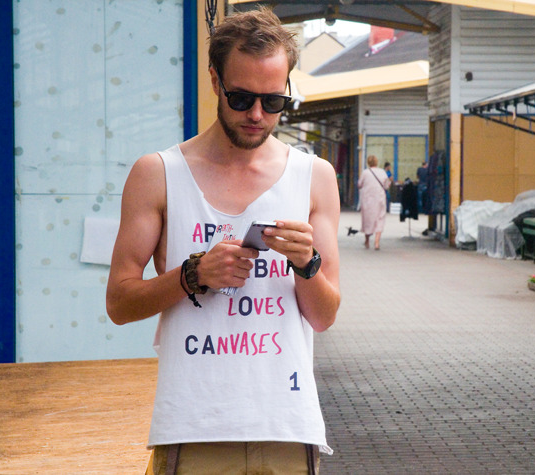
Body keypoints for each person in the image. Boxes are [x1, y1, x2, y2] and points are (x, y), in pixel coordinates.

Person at [106, 8, 341, 475]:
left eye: (273, 102)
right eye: (241, 98)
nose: (257, 115)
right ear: (215, 81)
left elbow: (324, 316)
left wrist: (307, 264)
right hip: (194, 429)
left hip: (286, 428)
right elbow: (119, 302)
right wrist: (194, 275)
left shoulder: (313, 176)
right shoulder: (158, 174)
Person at [357, 155, 390, 250]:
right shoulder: (382, 172)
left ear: (368, 162)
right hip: (379, 198)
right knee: (380, 218)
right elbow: (386, 185)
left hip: (367, 199)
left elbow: (359, 184)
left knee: (368, 219)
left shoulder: (365, 173)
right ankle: (376, 242)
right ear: (377, 162)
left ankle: (367, 241)